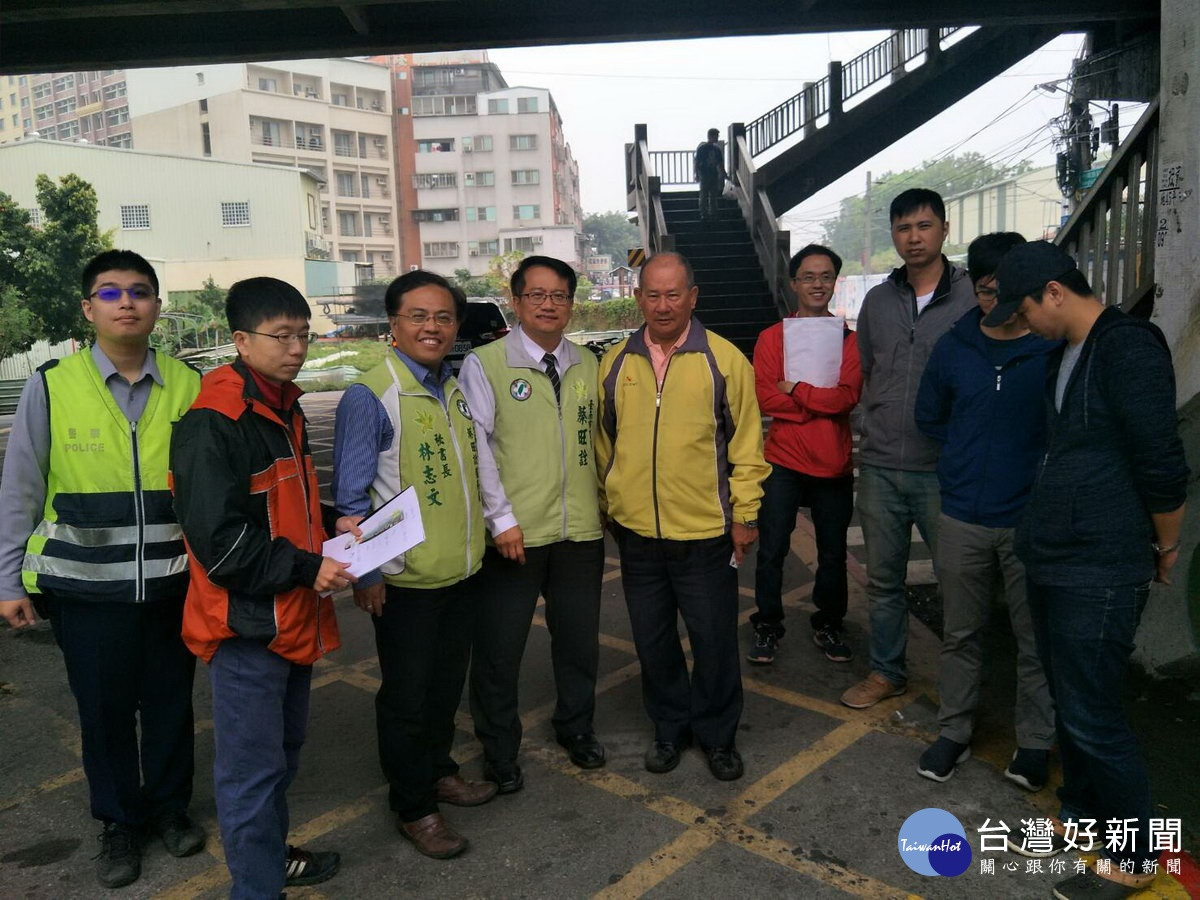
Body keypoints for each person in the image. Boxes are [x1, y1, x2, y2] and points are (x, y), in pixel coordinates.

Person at [981, 241, 1188, 899]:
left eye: (1024, 312)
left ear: (1054, 292)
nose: (1024, 325)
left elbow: (1161, 458)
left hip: (1100, 563)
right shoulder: (1064, 352)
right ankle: (1086, 817)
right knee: (1070, 702)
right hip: (1055, 553)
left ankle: (1135, 856)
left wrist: (1165, 547)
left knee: (1094, 714)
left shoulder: (1127, 347)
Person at [0, 250, 204, 889]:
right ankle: (119, 821)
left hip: (173, 585)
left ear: (158, 307)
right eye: (110, 293)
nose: (126, 303)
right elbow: (21, 486)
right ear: (89, 309)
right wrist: (7, 580)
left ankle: (169, 808)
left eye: (139, 291)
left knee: (170, 706)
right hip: (85, 592)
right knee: (103, 712)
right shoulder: (52, 384)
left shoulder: (191, 385)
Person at [171, 277, 349, 899]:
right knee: (250, 774)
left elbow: (285, 506)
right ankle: (255, 888)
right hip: (246, 628)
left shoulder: (281, 405)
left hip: (290, 617)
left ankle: (270, 862)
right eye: (281, 336)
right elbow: (220, 545)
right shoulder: (214, 423)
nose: (296, 348)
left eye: (303, 335)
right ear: (241, 340)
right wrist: (305, 568)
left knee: (281, 756)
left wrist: (333, 522)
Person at [332, 270, 495, 860]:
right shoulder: (371, 395)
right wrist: (368, 574)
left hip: (462, 571)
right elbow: (350, 502)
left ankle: (438, 771)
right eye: (418, 316)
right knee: (407, 698)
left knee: (444, 687)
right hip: (405, 582)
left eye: (444, 317)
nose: (433, 327)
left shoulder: (452, 384)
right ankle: (414, 806)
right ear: (393, 324)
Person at [596, 251, 769, 782]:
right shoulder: (616, 363)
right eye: (653, 294)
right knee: (653, 641)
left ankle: (718, 736)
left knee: (714, 640)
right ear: (638, 298)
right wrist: (611, 502)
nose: (663, 305)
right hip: (638, 536)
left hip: (705, 534)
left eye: (674, 294)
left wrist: (745, 515)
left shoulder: (724, 360)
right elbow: (604, 443)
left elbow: (747, 445)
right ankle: (669, 728)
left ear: (693, 297)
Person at [912, 233, 1057, 788]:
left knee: (1034, 639)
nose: (995, 302)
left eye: (1005, 290)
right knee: (961, 633)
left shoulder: (1051, 349)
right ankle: (954, 732)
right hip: (963, 515)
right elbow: (930, 415)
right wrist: (966, 455)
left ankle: (1035, 742)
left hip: (1029, 520)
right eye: (985, 290)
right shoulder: (955, 346)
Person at [459, 256, 606, 794]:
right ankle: (499, 749)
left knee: (579, 643)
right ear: (516, 301)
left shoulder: (587, 363)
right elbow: (477, 447)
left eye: (559, 295)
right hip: (514, 534)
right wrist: (501, 519)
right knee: (500, 649)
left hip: (580, 530)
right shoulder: (486, 363)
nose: (548, 305)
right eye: (537, 295)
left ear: (571, 303)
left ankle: (577, 727)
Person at [841, 188, 976, 710]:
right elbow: (869, 371)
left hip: (945, 469)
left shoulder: (971, 298)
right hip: (880, 465)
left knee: (958, 583)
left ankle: (961, 689)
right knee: (883, 581)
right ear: (893, 236)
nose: (913, 237)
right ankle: (886, 672)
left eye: (923, 226)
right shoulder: (878, 301)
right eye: (903, 228)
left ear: (944, 228)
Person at [747, 244, 861, 665]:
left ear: (835, 283)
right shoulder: (772, 338)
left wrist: (795, 389)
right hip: (783, 461)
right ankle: (767, 624)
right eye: (808, 276)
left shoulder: (850, 340)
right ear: (793, 283)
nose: (818, 284)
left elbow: (846, 398)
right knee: (771, 549)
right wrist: (817, 402)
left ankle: (829, 623)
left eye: (826, 276)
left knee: (833, 553)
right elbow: (765, 397)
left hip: (834, 463)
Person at [694, 128, 726, 224]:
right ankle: (705, 214)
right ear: (710, 136)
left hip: (713, 174)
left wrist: (723, 173)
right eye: (716, 136)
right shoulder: (704, 148)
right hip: (704, 174)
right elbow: (697, 162)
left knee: (712, 195)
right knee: (705, 195)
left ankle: (712, 214)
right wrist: (696, 174)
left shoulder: (716, 149)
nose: (717, 138)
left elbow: (720, 164)